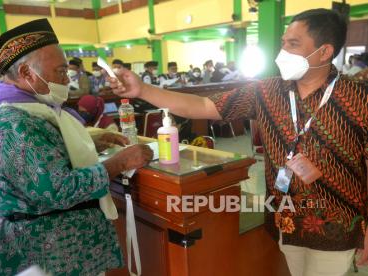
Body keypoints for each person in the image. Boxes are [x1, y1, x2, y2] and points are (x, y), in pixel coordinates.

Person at [109, 9, 368, 276]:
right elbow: (202, 105)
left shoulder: (359, 98)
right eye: (283, 43)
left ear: (324, 52)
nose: (283, 52)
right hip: (285, 220)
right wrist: (142, 90)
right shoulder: (267, 92)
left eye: (293, 44)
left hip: (338, 224)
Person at [0, 18, 152, 275]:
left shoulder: (28, 108)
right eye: (61, 72)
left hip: (64, 245)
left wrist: (89, 145)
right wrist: (120, 162)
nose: (66, 81)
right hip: (49, 251)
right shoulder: (10, 123)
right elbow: (57, 189)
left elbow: (39, 160)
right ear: (27, 73)